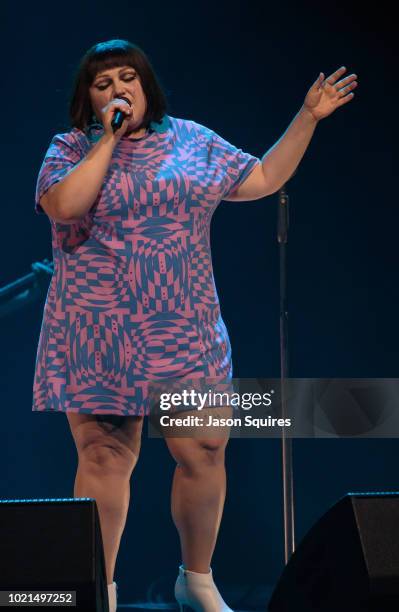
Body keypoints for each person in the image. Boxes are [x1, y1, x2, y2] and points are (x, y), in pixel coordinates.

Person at [33, 39, 357, 612]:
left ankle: (197, 579)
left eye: (126, 78)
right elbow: (65, 207)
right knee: (105, 455)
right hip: (100, 331)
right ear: (87, 99)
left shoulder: (192, 140)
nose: (117, 90)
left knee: (203, 450)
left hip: (183, 328)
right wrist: (107, 138)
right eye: (102, 84)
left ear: (146, 85)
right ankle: (97, 591)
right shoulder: (70, 148)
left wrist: (307, 118)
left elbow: (259, 180)